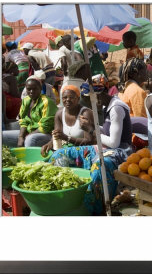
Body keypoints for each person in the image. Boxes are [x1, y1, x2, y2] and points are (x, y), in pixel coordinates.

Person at [48, 77, 132, 215]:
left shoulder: (116, 108)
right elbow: (105, 132)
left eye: (94, 97)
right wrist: (93, 127)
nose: (92, 101)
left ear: (102, 94)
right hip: (104, 147)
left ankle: (95, 209)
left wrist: (92, 129)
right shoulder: (106, 105)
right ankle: (64, 197)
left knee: (100, 166)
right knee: (59, 155)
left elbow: (114, 143)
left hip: (120, 151)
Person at [2, 76, 58, 147]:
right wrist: (21, 137)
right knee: (2, 136)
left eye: (35, 89)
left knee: (30, 139)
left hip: (46, 134)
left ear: (40, 89)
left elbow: (45, 127)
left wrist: (28, 135)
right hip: (29, 132)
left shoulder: (46, 102)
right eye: (29, 89)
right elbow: (23, 121)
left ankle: (28, 157)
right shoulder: (26, 101)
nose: (31, 92)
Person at [40, 85, 94, 156]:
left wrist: (66, 138)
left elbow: (89, 141)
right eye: (65, 97)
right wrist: (50, 144)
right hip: (66, 150)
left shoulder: (86, 113)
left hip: (84, 152)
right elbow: (57, 136)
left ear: (78, 99)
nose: (68, 100)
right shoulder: (59, 113)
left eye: (71, 97)